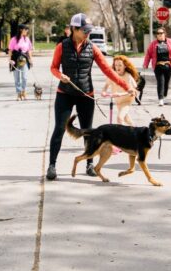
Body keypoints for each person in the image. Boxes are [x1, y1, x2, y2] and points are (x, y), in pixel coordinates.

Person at [47, 13, 135, 180]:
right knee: (59, 128)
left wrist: (127, 86)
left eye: (89, 30)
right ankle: (52, 165)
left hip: (86, 94)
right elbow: (53, 68)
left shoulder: (92, 48)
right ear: (74, 29)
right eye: (84, 30)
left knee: (88, 132)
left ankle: (89, 165)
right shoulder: (62, 46)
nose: (87, 33)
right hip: (65, 94)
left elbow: (108, 71)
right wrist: (60, 76)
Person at [143, 27, 171, 106]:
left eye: (161, 33)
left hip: (169, 65)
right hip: (158, 66)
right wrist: (145, 64)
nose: (160, 35)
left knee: (166, 83)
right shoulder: (153, 44)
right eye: (158, 33)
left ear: (165, 34)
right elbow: (148, 54)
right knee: (160, 82)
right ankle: (160, 99)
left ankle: (164, 94)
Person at [102, 55, 140, 126]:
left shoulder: (128, 76)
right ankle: (135, 131)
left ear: (125, 66)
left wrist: (120, 94)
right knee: (126, 119)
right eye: (116, 65)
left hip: (127, 100)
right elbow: (106, 86)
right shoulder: (112, 75)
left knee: (120, 118)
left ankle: (121, 135)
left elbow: (132, 91)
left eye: (120, 65)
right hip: (118, 100)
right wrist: (103, 92)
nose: (117, 67)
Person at [9, 25, 34, 100]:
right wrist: (10, 60)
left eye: (27, 30)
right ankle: (18, 93)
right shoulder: (14, 39)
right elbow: (10, 50)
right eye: (25, 29)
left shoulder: (27, 39)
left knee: (24, 77)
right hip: (15, 59)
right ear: (20, 30)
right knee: (17, 78)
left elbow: (29, 50)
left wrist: (31, 59)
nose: (27, 31)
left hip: (24, 59)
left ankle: (23, 90)